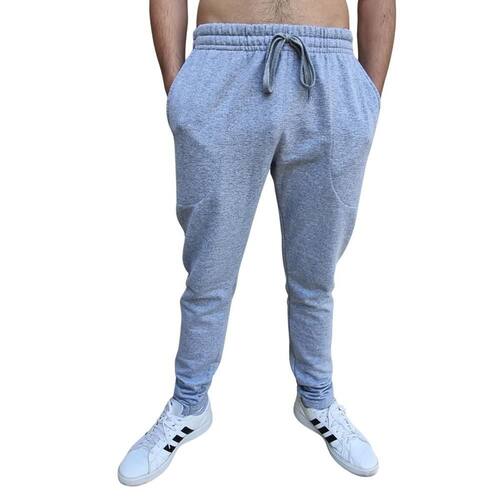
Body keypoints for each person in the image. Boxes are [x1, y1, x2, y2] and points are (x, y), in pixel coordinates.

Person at [118, 0, 395, 486]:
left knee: (315, 274)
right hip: (221, 63)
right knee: (209, 272)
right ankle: (189, 403)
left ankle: (316, 397)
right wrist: (180, 90)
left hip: (329, 66)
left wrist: (367, 98)